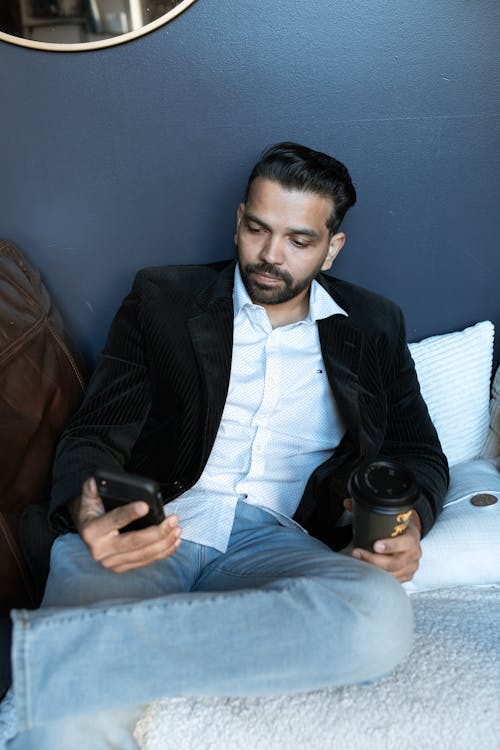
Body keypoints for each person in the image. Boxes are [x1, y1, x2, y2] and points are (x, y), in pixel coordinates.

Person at [5, 142, 448, 749]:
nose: (270, 256)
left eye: (299, 240)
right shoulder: (161, 298)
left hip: (274, 541)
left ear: (331, 248)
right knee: (64, 724)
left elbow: (418, 453)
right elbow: (95, 430)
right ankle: (76, 660)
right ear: (238, 219)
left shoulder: (374, 326)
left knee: (380, 620)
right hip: (147, 526)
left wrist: (408, 524)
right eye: (258, 229)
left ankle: (48, 651)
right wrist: (89, 508)